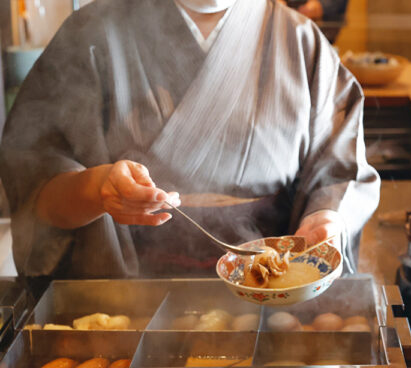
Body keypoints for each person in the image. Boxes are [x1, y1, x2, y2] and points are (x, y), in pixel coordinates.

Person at [0, 0, 379, 278]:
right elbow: (34, 186)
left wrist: (325, 218)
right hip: (125, 295)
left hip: (272, 287)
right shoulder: (91, 34)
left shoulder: (300, 42)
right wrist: (98, 188)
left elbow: (340, 174)